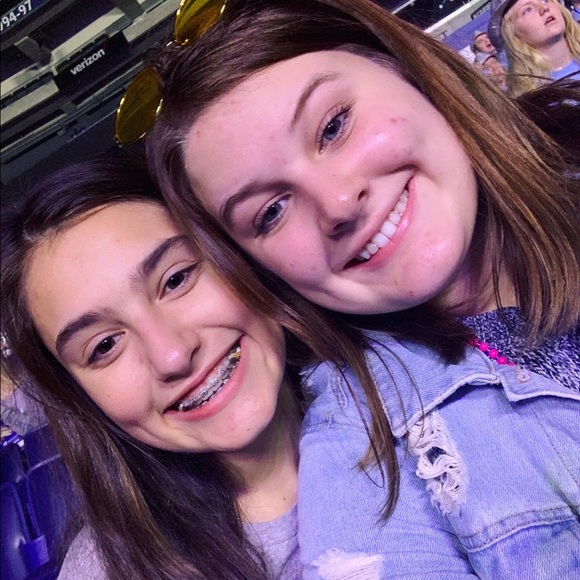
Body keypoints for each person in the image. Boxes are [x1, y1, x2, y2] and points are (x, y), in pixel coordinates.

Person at [116, 0, 579, 576]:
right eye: (271, 211)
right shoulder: (361, 444)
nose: (336, 204)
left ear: (406, 68)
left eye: (333, 127)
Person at [0, 156, 304, 579]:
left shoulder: (397, 383)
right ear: (80, 395)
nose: (172, 355)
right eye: (105, 346)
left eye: (176, 280)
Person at [488, 0, 580, 95]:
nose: (544, 8)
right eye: (528, 9)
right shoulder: (529, 97)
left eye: (545, 0)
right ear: (513, 34)